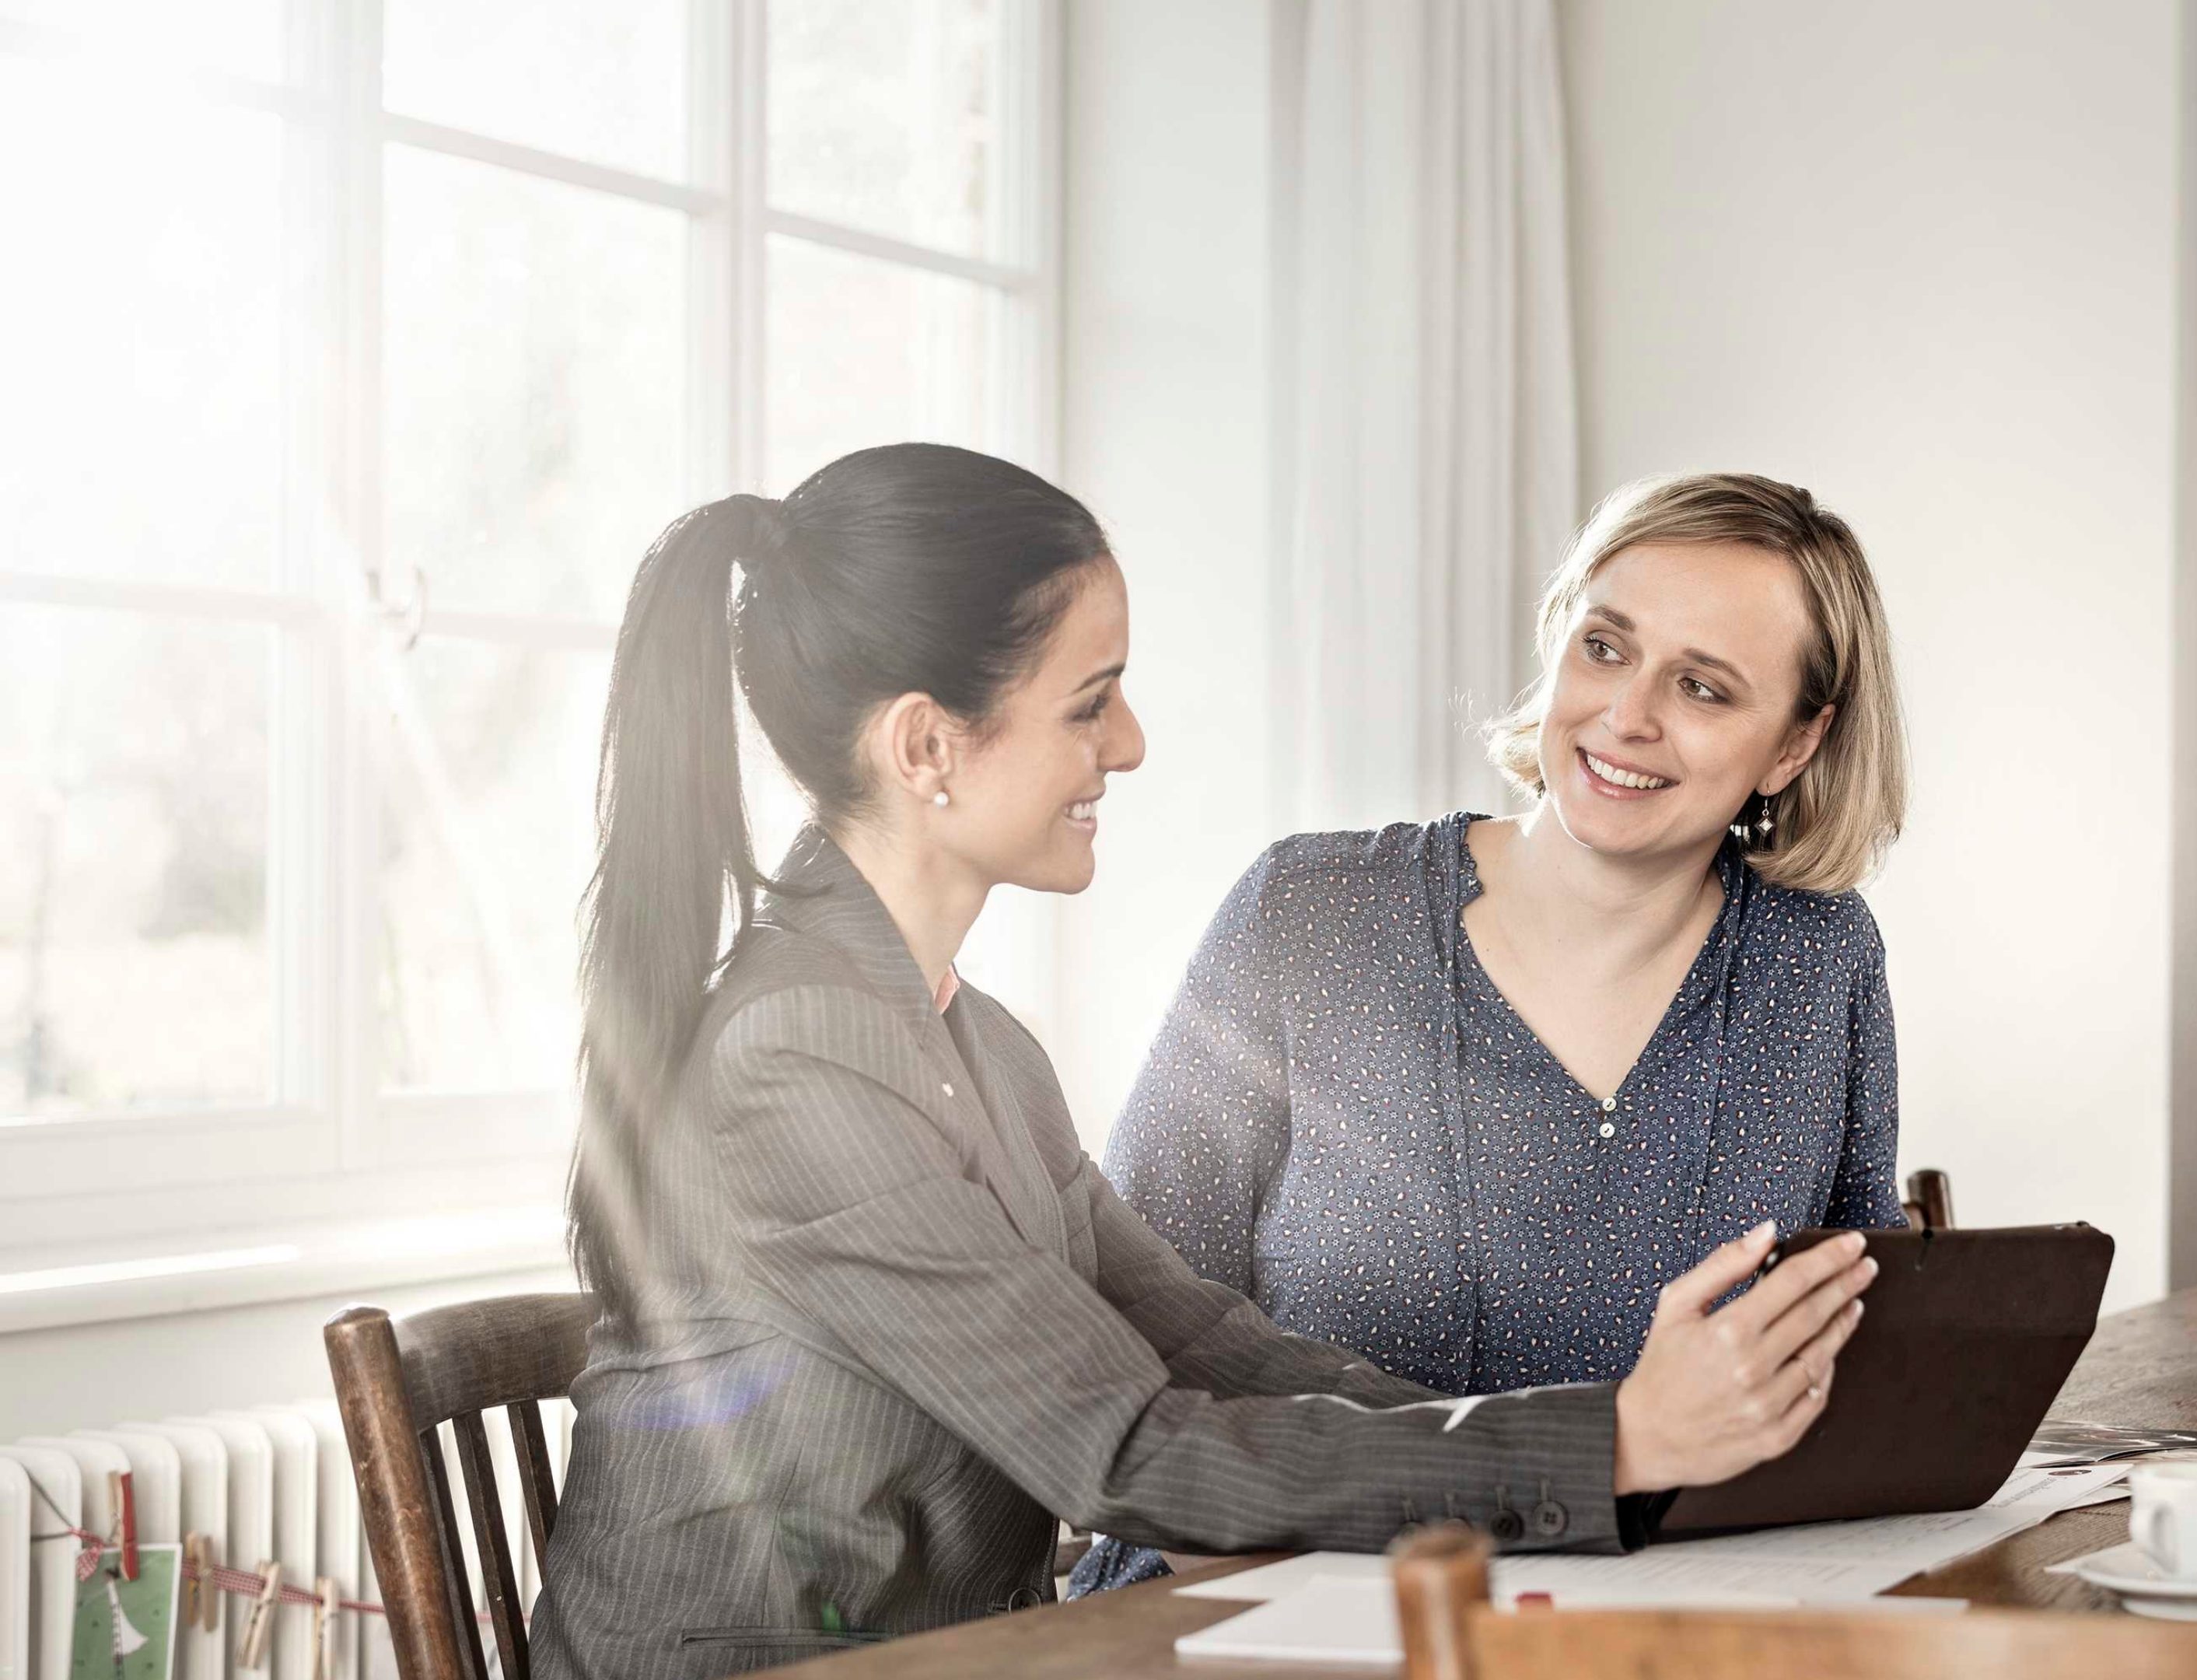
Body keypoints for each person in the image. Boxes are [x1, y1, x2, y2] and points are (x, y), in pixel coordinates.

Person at [527, 446, 1876, 1680]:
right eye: (1090, 705)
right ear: (929, 746)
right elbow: (1124, 1450)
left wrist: (1572, 1456)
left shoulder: (971, 1040)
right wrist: (1614, 1445)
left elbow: (1202, 1340)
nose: (1129, 745)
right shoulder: (800, 1059)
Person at [1075, 471, 1908, 1594]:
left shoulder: (1819, 961)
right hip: (1255, 1612)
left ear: (1794, 749)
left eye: (1704, 688)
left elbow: (1870, 1343)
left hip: (1652, 1626)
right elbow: (1118, 1338)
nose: (1627, 716)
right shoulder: (1308, 914)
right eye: (1605, 648)